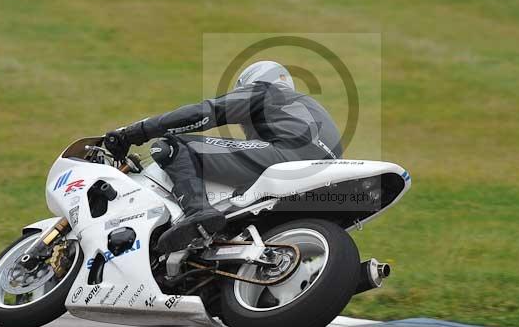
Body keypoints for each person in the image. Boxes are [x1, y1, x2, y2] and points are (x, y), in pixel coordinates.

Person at [104, 61, 343, 253]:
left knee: (171, 147)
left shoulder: (263, 91)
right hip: (322, 173)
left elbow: (203, 113)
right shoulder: (309, 106)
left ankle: (197, 211)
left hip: (287, 157)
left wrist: (136, 132)